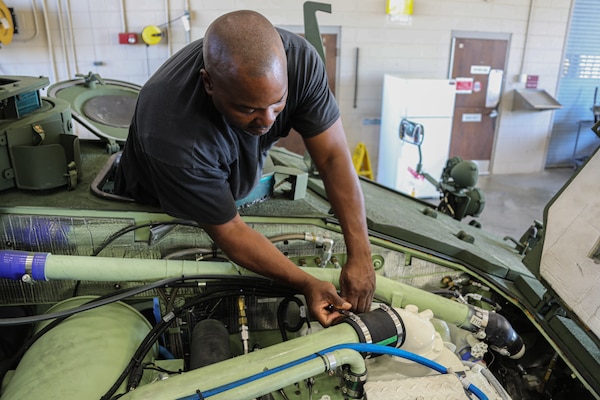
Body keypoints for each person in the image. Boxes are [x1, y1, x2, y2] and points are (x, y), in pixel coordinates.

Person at [114, 10, 375, 327]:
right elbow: (232, 232)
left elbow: (333, 155)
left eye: (277, 103)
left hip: (220, 167)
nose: (268, 120)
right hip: (154, 198)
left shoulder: (300, 63)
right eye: (248, 108)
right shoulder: (173, 133)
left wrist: (360, 253)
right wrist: (306, 282)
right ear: (209, 83)